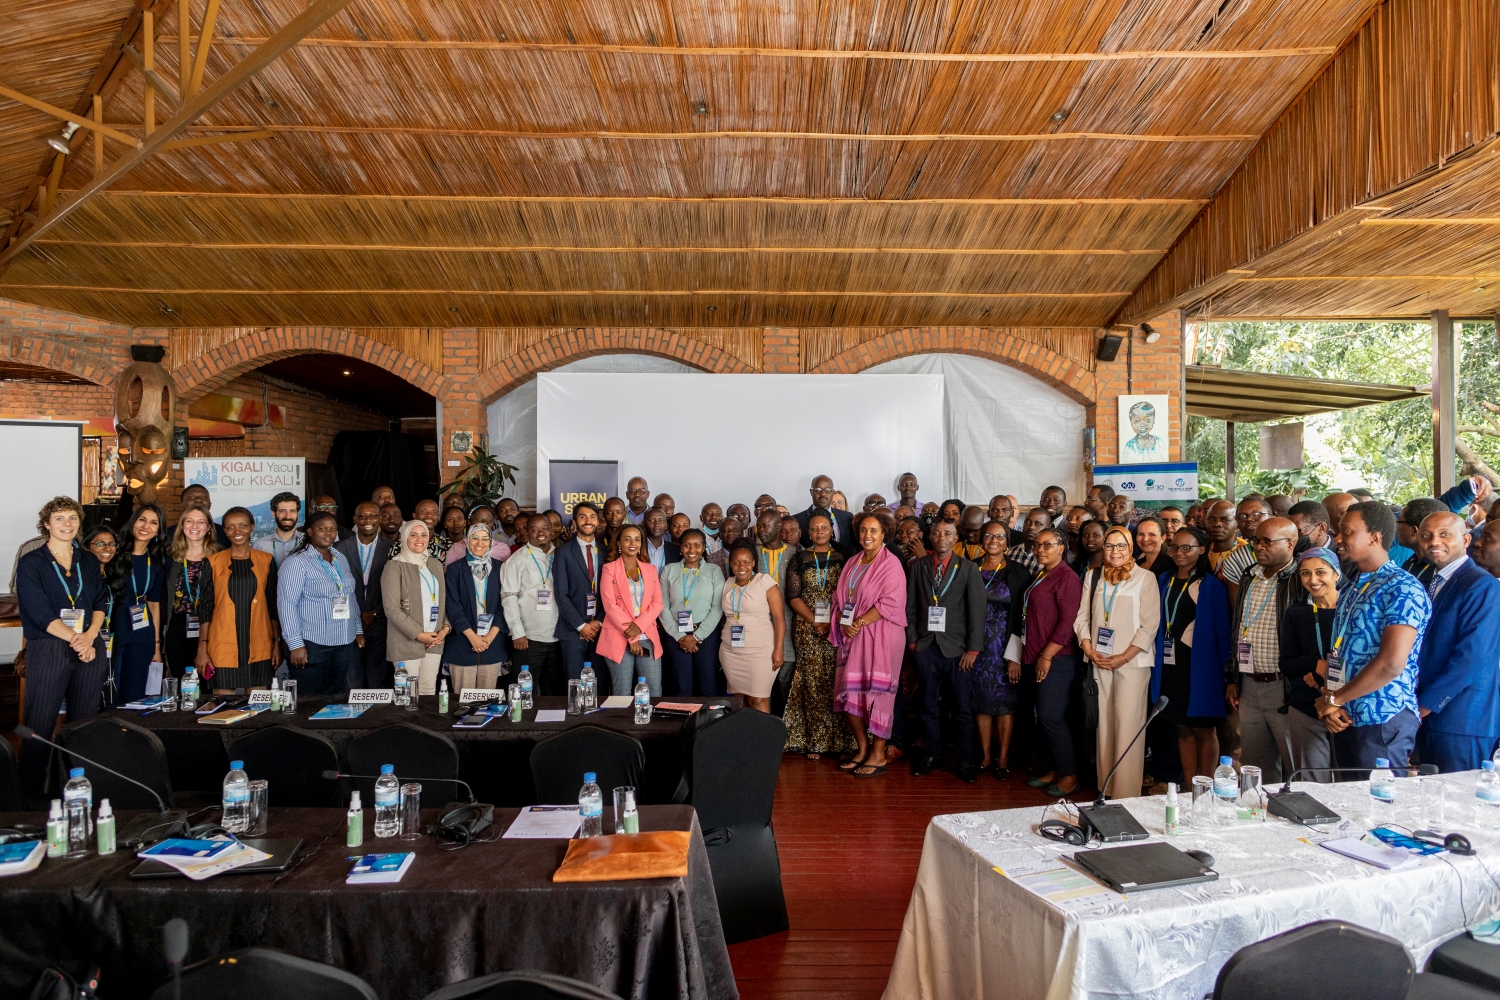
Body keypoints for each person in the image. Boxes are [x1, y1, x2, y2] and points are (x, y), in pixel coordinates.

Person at [1314, 502, 1431, 771]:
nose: (1339, 538)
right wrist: (1332, 703)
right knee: (1348, 806)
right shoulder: (1353, 586)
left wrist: (1335, 699)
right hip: (1344, 715)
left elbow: (1391, 663)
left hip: (1382, 716)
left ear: (1375, 537)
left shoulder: (1402, 587)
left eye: (1346, 531)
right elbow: (1340, 654)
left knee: (1380, 807)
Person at [16, 497, 109, 791]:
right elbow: (38, 611)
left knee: (83, 725)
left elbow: (100, 600)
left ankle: (74, 787)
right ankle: (28, 795)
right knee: (40, 724)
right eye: (59, 518)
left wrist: (91, 635)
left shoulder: (88, 560)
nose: (66, 524)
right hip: (50, 647)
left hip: (90, 645)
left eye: (72, 518)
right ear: (46, 525)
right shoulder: (32, 562)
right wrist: (76, 640)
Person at [1075, 525, 1161, 799]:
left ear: (1131, 548)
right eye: (1110, 546)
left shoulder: (1145, 578)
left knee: (1128, 726)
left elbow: (1150, 626)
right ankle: (1106, 788)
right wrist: (1088, 649)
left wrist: (1123, 657)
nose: (1115, 551)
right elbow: (1082, 618)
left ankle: (1126, 794)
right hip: (1100, 660)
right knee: (1105, 728)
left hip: (1132, 663)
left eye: (1121, 545)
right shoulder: (1093, 576)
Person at [1414, 512, 1500, 772]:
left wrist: (1427, 703)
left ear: (1465, 540)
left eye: (1444, 535)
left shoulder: (1481, 585)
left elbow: (1472, 656)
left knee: (1463, 804)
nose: (1434, 541)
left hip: (1463, 718)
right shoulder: (1426, 580)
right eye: (1427, 535)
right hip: (1426, 716)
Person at [907, 520, 988, 780]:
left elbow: (977, 613)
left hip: (958, 650)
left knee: (961, 709)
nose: (942, 537)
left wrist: (973, 650)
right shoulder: (917, 567)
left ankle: (964, 760)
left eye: (948, 533)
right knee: (927, 706)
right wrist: (913, 643)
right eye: (937, 533)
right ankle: (931, 755)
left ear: (956, 539)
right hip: (926, 647)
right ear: (930, 537)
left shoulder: (968, 568)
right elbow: (909, 607)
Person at [831, 514, 908, 777]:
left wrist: (860, 621)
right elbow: (840, 599)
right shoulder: (853, 562)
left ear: (884, 534)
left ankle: (878, 753)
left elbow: (891, 602)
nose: (868, 535)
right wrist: (844, 623)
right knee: (849, 692)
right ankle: (863, 749)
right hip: (853, 635)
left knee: (878, 695)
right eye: (863, 530)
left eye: (874, 531)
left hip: (882, 635)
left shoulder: (891, 564)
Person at [1226, 517, 1300, 782]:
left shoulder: (1301, 578)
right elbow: (1239, 627)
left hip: (1284, 687)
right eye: (1257, 541)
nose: (1259, 546)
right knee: (1256, 769)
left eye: (1267, 541)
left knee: (1295, 768)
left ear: (1291, 543)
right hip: (1249, 685)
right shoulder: (1250, 575)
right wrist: (1234, 678)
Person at [1158, 527, 1230, 782]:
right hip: (1170, 665)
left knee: (1204, 729)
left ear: (1201, 550)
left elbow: (1222, 633)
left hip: (1202, 669)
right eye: (1175, 547)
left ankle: (1206, 788)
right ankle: (1190, 787)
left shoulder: (1211, 586)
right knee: (1183, 728)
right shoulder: (1164, 580)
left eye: (1187, 548)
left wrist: (1226, 673)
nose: (1179, 552)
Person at [1018, 528, 1083, 796]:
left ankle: (1069, 775)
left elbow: (1066, 624)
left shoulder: (1067, 578)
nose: (1040, 549)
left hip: (1056, 659)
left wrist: (1046, 656)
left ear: (1062, 547)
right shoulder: (1043, 573)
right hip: (1034, 657)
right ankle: (1053, 769)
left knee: (1051, 717)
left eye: (1047, 545)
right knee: (1042, 719)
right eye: (1037, 545)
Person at [782, 514, 851, 758]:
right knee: (811, 682)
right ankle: (815, 741)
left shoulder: (845, 559)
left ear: (832, 531)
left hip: (837, 627)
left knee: (837, 680)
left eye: (824, 527)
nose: (820, 531)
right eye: (814, 528)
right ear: (808, 533)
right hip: (807, 628)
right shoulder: (799, 559)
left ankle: (842, 741)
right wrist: (815, 621)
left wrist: (830, 622)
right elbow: (793, 596)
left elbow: (849, 595)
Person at [277, 512, 364, 696]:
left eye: (332, 529)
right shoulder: (296, 562)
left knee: (335, 697)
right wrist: (295, 644)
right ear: (309, 531)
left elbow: (349, 595)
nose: (328, 533)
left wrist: (357, 629)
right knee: (306, 699)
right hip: (312, 644)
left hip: (343, 641)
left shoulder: (340, 558)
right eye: (322, 528)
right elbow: (286, 605)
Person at [971, 520, 1031, 780]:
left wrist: (1015, 657)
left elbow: (1022, 617)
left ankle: (1003, 758)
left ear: (1008, 542)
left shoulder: (1018, 572)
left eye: (999, 536)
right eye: (988, 535)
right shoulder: (970, 568)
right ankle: (985, 756)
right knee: (982, 703)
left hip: (1005, 650)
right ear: (981, 539)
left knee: (1005, 704)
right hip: (976, 648)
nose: (993, 540)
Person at [202, 507, 279, 693]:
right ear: (225, 531)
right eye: (230, 527)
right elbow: (205, 607)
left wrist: (277, 642)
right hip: (222, 643)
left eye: (243, 525)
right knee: (221, 705)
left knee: (257, 709)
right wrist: (202, 648)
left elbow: (273, 605)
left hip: (260, 642)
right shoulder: (212, 562)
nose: (237, 532)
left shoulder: (266, 560)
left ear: (252, 527)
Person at [1280, 547, 1339, 781]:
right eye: (1305, 574)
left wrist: (1323, 674)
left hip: (1345, 706)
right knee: (1313, 784)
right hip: (1306, 706)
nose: (1313, 580)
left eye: (1320, 572)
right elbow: (1286, 663)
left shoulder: (1352, 610)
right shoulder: (1296, 613)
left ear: (1336, 574)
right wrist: (1315, 664)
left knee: (1351, 780)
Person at [382, 519, 449, 696]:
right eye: (413, 534)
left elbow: (442, 602)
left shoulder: (435, 564)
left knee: (428, 692)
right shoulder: (394, 566)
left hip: (435, 640)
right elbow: (392, 609)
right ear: (404, 537)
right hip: (407, 642)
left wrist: (445, 628)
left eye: (423, 535)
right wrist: (419, 635)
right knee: (407, 694)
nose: (419, 539)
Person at [719, 540, 786, 713]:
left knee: (758, 700)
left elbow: (779, 619)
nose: (742, 566)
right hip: (731, 652)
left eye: (746, 562)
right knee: (740, 701)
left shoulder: (765, 582)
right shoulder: (728, 583)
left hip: (761, 652)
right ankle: (746, 740)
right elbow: (725, 618)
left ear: (753, 563)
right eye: (736, 562)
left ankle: (765, 740)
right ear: (730, 563)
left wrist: (778, 650)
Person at [598, 524, 665, 695]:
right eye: (627, 539)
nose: (632, 543)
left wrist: (639, 627)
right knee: (622, 692)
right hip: (618, 635)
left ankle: (650, 722)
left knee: (654, 691)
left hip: (647, 634)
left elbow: (657, 603)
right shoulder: (609, 569)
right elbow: (609, 605)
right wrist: (632, 635)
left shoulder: (650, 570)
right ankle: (621, 723)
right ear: (619, 543)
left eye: (637, 539)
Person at [500, 514, 563, 695]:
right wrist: (517, 633)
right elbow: (509, 598)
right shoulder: (516, 560)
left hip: (557, 638)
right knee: (525, 691)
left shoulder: (561, 555)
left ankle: (550, 723)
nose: (540, 533)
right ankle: (523, 723)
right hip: (528, 640)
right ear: (526, 533)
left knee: (554, 691)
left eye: (544, 528)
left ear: (552, 531)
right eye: (534, 530)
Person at [109, 503, 165, 705]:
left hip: (143, 633)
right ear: (132, 522)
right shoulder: (112, 554)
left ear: (158, 530)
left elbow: (154, 605)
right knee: (110, 690)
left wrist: (157, 646)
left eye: (153, 522)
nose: (146, 526)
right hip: (114, 629)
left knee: (135, 693)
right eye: (142, 519)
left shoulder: (156, 561)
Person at [443, 523, 508, 697]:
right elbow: (452, 605)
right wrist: (473, 637)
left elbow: (506, 605)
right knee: (463, 703)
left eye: (485, 538)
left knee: (487, 703)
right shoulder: (455, 570)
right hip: (463, 644)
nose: (480, 543)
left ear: (491, 543)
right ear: (467, 540)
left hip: (491, 644)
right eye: (475, 538)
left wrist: (489, 637)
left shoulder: (501, 569)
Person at [658, 529, 725, 697]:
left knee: (707, 683)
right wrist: (680, 636)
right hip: (675, 633)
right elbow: (663, 606)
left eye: (697, 545)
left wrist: (696, 636)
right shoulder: (669, 570)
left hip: (706, 634)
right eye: (687, 545)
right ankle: (682, 721)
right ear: (680, 548)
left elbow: (717, 607)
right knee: (681, 684)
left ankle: (710, 722)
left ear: (703, 548)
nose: (692, 550)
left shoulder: (714, 570)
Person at [337, 502, 391, 688]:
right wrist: (356, 614)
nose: (367, 520)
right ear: (354, 519)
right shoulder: (339, 548)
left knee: (378, 681)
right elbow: (336, 587)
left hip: (381, 621)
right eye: (362, 516)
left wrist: (374, 612)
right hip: (349, 623)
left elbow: (397, 589)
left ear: (380, 519)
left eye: (373, 516)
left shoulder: (392, 548)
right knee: (352, 680)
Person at [553, 501, 607, 688]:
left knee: (599, 686)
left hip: (601, 630)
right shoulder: (563, 552)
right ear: (575, 522)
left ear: (598, 522)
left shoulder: (606, 552)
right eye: (582, 516)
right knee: (575, 687)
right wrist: (581, 625)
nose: (588, 521)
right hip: (572, 631)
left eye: (593, 517)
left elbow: (612, 594)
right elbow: (561, 594)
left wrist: (597, 622)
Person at [160, 506, 216, 681]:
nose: (194, 526)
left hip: (211, 627)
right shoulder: (169, 556)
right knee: (180, 679)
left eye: (201, 522)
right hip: (178, 626)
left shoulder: (219, 557)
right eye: (189, 521)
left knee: (207, 681)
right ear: (182, 525)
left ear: (208, 528)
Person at [753, 509, 799, 709]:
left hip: (788, 624)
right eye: (759, 526)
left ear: (779, 527)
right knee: (761, 684)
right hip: (760, 625)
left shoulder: (796, 553)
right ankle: (765, 731)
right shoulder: (753, 553)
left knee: (785, 681)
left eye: (766, 526)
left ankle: (786, 732)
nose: (761, 530)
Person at [795, 475, 856, 555]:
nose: (823, 494)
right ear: (811, 492)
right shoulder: (797, 520)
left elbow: (853, 546)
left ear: (832, 492)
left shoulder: (847, 517)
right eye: (818, 490)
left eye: (827, 490)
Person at [1204, 500, 1254, 592]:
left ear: (1237, 526)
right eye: (1211, 519)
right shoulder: (1202, 548)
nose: (1216, 524)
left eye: (1225, 520)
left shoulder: (1246, 554)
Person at [254, 492, 304, 567]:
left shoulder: (309, 543)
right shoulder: (259, 546)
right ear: (274, 514)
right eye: (282, 511)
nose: (288, 516)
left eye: (292, 511)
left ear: (298, 513)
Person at [176, 483, 232, 547]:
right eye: (191, 497)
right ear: (182, 505)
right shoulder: (168, 534)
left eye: (204, 497)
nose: (198, 499)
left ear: (210, 504)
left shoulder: (224, 534)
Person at [1010, 508, 1051, 574]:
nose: (1031, 527)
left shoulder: (1050, 557)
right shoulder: (1012, 551)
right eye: (1027, 522)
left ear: (1048, 528)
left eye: (1038, 524)